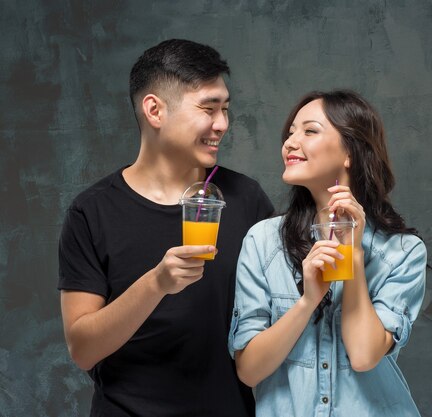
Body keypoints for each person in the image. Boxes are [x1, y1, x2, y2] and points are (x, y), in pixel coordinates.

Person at [58, 39, 274, 417]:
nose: (221, 124)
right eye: (208, 109)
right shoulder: (92, 211)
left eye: (225, 109)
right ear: (155, 110)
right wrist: (156, 283)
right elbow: (82, 348)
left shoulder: (247, 199)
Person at [228, 90, 427, 416]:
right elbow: (249, 370)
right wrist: (307, 301)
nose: (290, 143)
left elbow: (364, 356)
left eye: (309, 130)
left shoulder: (402, 252)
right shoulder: (263, 242)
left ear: (349, 152)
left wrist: (355, 258)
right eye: (290, 132)